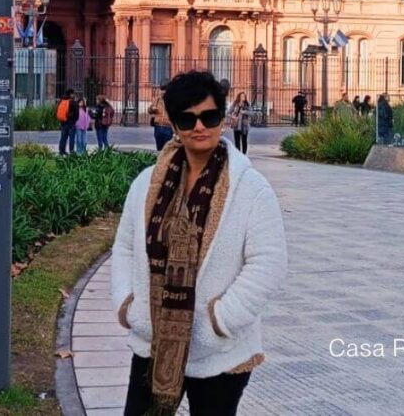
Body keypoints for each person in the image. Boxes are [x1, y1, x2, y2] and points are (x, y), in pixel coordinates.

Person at [111, 70, 287, 416]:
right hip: (154, 341)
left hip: (220, 352)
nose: (199, 127)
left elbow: (269, 263)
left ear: (223, 118)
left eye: (209, 116)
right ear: (174, 125)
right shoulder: (147, 184)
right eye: (187, 119)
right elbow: (125, 247)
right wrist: (127, 304)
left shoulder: (250, 188)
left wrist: (219, 320)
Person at [148, 84, 173, 151]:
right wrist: (152, 109)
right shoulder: (157, 100)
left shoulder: (173, 101)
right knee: (159, 148)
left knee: (167, 149)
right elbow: (149, 110)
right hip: (158, 127)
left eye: (164, 90)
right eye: (161, 90)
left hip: (168, 128)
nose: (162, 92)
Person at [57, 89, 78, 155]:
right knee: (72, 138)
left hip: (63, 122)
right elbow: (77, 113)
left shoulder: (61, 101)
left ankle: (61, 150)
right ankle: (71, 151)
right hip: (71, 123)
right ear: (71, 94)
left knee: (63, 137)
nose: (74, 95)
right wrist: (74, 120)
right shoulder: (73, 102)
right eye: (73, 94)